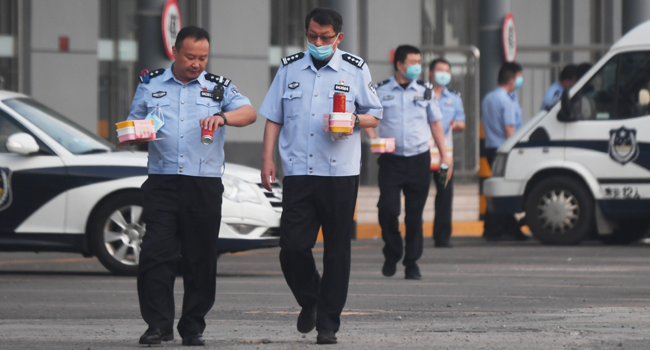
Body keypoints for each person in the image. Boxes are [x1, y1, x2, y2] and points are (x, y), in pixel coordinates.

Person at [258, 8, 382, 345]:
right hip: (298, 170)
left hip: (339, 173)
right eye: (312, 36)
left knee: (337, 250)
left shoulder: (355, 69)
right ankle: (311, 297)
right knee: (292, 247)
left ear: (338, 38)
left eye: (326, 38)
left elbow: (375, 114)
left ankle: (328, 324)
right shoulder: (289, 68)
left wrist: (354, 120)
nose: (318, 42)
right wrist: (267, 159)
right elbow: (273, 116)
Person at [128, 26, 257, 346]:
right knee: (156, 255)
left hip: (203, 184)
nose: (197, 63)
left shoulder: (218, 88)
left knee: (200, 258)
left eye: (203, 57)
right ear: (174, 51)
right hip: (162, 182)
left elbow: (249, 113)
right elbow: (133, 124)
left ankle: (193, 326)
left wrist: (224, 118)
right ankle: (157, 324)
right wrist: (139, 132)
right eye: (190, 57)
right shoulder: (151, 83)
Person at [363, 45, 450, 281]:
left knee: (414, 215)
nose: (417, 67)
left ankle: (412, 262)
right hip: (391, 160)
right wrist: (374, 139)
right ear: (400, 65)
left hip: (419, 159)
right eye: (413, 62)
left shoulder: (425, 90)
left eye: (419, 62)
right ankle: (392, 251)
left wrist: (445, 155)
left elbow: (436, 124)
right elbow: (367, 118)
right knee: (388, 209)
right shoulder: (380, 90)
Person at [481, 62, 527, 241]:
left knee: (499, 188)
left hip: (491, 147)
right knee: (505, 189)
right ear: (513, 79)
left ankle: (504, 228)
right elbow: (509, 129)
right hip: (504, 149)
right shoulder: (506, 100)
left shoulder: (488, 98)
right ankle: (499, 228)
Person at [428, 58, 465, 248]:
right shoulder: (422, 94)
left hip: (444, 154)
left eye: (447, 71)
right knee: (418, 192)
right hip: (423, 151)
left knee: (444, 193)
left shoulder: (454, 98)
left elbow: (462, 122)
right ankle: (414, 235)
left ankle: (442, 236)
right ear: (430, 73)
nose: (444, 74)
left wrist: (455, 124)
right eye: (440, 70)